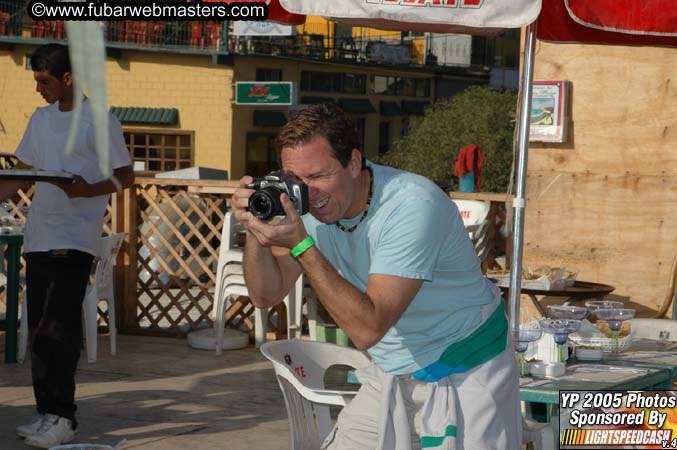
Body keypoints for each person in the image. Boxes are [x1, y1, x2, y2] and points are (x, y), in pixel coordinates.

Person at [231, 103, 521, 449]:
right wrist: (254, 229)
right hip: (392, 372)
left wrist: (302, 245)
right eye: (297, 179)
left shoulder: (411, 205)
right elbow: (266, 295)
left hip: (467, 368)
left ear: (354, 163)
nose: (310, 192)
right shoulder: (304, 204)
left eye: (320, 176)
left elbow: (368, 328)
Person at [0, 43, 134, 449]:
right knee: (38, 327)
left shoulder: (98, 119)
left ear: (68, 79)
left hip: (76, 238)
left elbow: (125, 176)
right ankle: (47, 412)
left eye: (44, 81)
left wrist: (85, 190)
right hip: (40, 236)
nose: (39, 89)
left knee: (59, 327)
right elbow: (22, 175)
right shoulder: (40, 120)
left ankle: (64, 417)